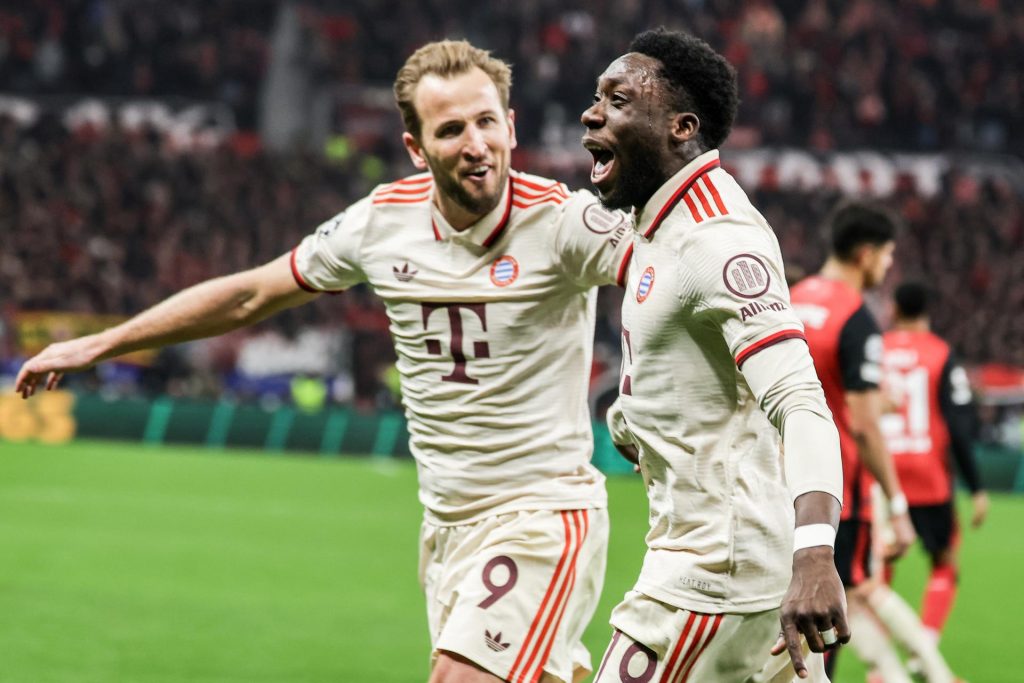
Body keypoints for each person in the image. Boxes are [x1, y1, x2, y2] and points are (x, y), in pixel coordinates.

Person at [15, 40, 634, 683]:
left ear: (510, 125)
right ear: (417, 150)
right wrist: (101, 343)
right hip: (446, 528)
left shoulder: (565, 222)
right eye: (451, 130)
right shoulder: (381, 223)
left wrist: (660, 393)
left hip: (540, 517)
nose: (475, 143)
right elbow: (254, 292)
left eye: (485, 122)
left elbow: (668, 278)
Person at [582, 28, 847, 681]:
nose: (592, 113)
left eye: (617, 100)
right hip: (742, 568)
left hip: (711, 580)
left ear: (681, 127)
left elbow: (799, 399)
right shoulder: (657, 222)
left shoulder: (716, 239)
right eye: (596, 98)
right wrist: (632, 419)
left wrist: (816, 552)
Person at [790, 205, 961, 683]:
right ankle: (921, 671)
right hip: (837, 493)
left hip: (782, 485)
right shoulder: (855, 317)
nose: (888, 267)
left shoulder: (790, 299)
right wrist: (897, 503)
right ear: (865, 255)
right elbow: (862, 425)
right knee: (833, 611)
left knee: (782, 615)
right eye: (887, 255)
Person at [881, 281, 987, 642]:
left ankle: (878, 669)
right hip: (928, 477)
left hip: (882, 476)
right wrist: (976, 488)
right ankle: (924, 647)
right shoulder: (941, 353)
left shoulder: (876, 348)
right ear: (928, 310)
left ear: (894, 309)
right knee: (944, 562)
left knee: (878, 568)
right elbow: (957, 425)